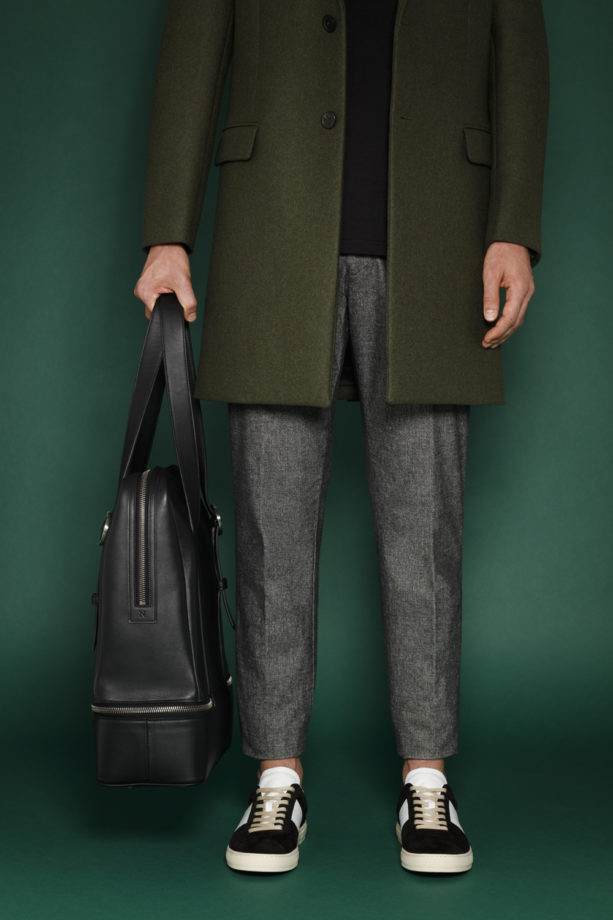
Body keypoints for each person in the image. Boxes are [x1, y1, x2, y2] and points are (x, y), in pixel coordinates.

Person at [134, 0, 549, 875]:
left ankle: (426, 778)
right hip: (274, 237)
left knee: (425, 533)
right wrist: (169, 232)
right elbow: (191, 53)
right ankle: (275, 777)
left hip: (438, 243)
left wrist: (513, 224)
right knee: (271, 527)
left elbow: (517, 60)